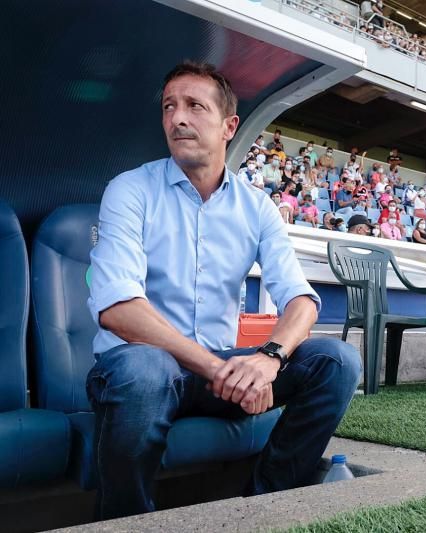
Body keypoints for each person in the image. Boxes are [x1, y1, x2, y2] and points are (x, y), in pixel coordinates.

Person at [86, 62, 360, 519]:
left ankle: (260, 507)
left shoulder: (256, 206)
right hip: (140, 371)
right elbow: (117, 307)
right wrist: (222, 369)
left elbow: (300, 299)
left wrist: (268, 359)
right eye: (170, 107)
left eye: (195, 106)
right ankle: (126, 521)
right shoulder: (131, 189)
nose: (178, 118)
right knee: (145, 367)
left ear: (229, 125)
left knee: (338, 361)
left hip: (216, 374)